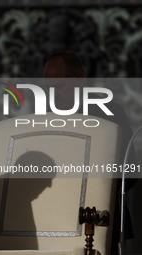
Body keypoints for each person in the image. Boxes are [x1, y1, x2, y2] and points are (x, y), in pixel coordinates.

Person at [44, 51, 136, 254]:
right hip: (54, 225)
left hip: (104, 223)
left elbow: (130, 171)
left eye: (58, 87)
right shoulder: (43, 121)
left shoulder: (109, 113)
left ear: (79, 81)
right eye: (48, 89)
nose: (53, 95)